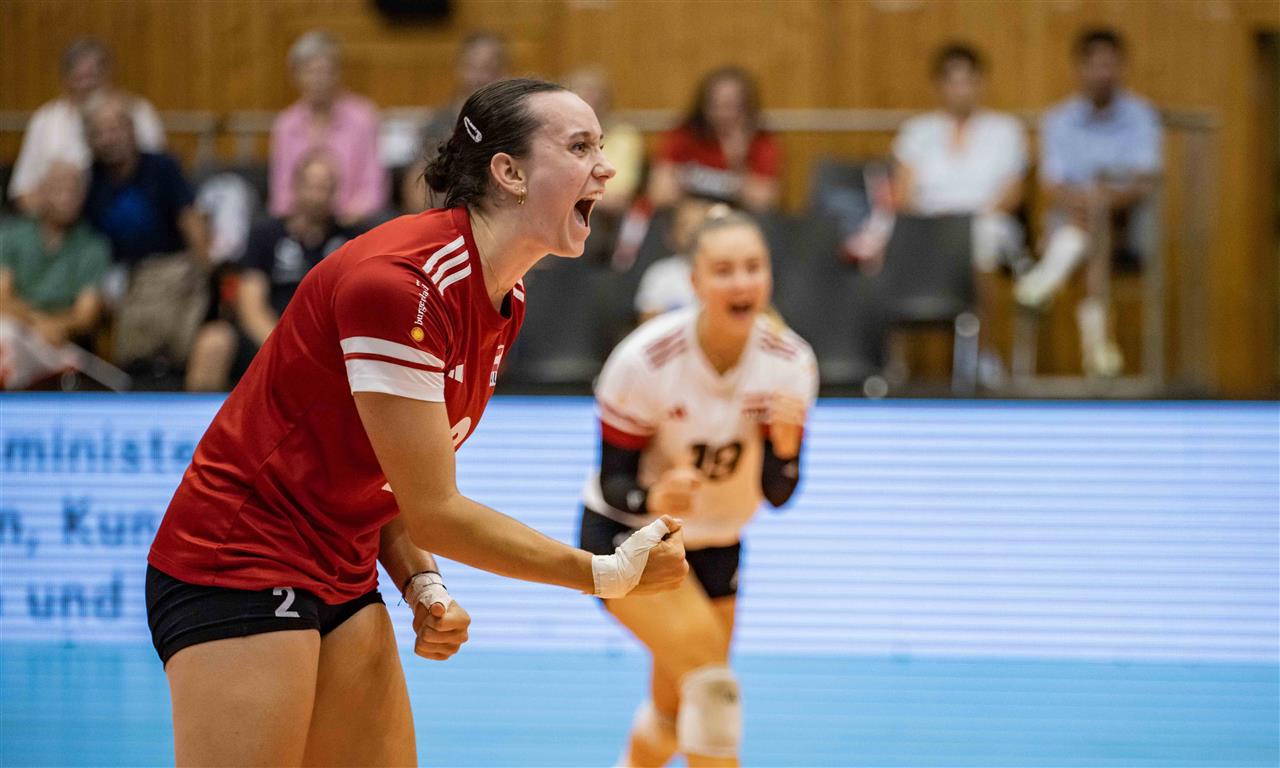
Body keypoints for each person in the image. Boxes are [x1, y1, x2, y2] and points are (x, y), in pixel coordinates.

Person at [145, 78, 688, 766]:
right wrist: (604, 573)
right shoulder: (402, 285)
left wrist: (420, 583)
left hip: (340, 565)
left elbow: (394, 480)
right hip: (241, 560)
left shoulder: (503, 294)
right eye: (581, 147)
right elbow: (436, 512)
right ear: (510, 172)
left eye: (600, 147)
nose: (605, 169)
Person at [578, 209, 818, 767]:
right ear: (695, 282)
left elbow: (778, 494)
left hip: (717, 543)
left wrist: (785, 451)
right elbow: (613, 481)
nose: (741, 282)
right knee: (712, 688)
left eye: (753, 267)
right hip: (632, 537)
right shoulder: (645, 359)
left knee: (672, 713)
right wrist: (653, 498)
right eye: (724, 270)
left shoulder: (790, 363)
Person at [1015, 28, 1163, 377]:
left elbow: (1144, 182)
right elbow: (1053, 184)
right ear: (1080, 68)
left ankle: (1045, 280)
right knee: (1095, 235)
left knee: (1097, 225)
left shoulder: (1141, 116)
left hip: (1126, 220)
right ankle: (1097, 350)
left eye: (1109, 65)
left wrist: (1102, 202)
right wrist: (1090, 204)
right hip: (1073, 216)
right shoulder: (1058, 119)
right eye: (1095, 65)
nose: (1102, 73)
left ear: (1122, 67)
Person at [891, 43, 1028, 385]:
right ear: (940, 86)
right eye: (952, 81)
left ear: (980, 83)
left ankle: (982, 353)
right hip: (928, 226)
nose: (960, 89)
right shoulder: (917, 132)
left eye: (968, 80)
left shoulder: (1005, 131)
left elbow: (1012, 194)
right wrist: (936, 224)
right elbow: (903, 194)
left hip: (985, 222)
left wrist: (966, 223)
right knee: (889, 241)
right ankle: (892, 361)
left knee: (979, 242)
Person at [186, 154, 352, 391]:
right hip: (270, 336)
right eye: (311, 186)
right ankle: (201, 416)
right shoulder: (265, 235)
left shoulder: (351, 240)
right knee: (213, 341)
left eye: (325, 188)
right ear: (296, 187)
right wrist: (285, 348)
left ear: (335, 193)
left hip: (329, 343)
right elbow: (250, 305)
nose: (317, 196)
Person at [82, 92, 210, 374]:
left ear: (131, 130)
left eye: (115, 128)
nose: (110, 138)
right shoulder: (90, 178)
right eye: (100, 132)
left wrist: (206, 273)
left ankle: (154, 368)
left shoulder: (162, 166)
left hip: (166, 265)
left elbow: (190, 220)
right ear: (89, 140)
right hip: (111, 271)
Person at [8, 38, 165, 214]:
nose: (87, 85)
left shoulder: (139, 112)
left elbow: (160, 182)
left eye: (93, 76)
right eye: (79, 77)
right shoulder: (45, 120)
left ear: (108, 75)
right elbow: (21, 192)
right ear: (65, 79)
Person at [0, 161, 111, 389]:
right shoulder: (11, 234)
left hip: (60, 344)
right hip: (17, 329)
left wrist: (58, 326)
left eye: (74, 190)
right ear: (40, 192)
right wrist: (38, 322)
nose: (67, 197)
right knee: (5, 333)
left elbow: (86, 314)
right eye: (58, 188)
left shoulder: (92, 246)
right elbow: (2, 297)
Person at [269, 30, 388, 226]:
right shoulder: (286, 124)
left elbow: (373, 187)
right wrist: (299, 220)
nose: (318, 80)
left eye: (325, 71)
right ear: (295, 76)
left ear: (338, 73)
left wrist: (347, 219)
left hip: (352, 223)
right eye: (310, 71)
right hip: (301, 225)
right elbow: (281, 193)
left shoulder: (363, 117)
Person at [402, 31, 510, 213]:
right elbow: (416, 193)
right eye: (472, 67)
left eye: (488, 68)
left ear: (503, 72)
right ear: (460, 68)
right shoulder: (438, 123)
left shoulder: (514, 125)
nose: (479, 78)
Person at [648, 67, 782, 214]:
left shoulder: (760, 141)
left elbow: (762, 203)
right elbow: (659, 195)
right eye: (715, 105)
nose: (723, 114)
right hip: (686, 215)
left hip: (738, 219)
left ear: (746, 109)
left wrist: (738, 162)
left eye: (731, 106)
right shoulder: (685, 134)